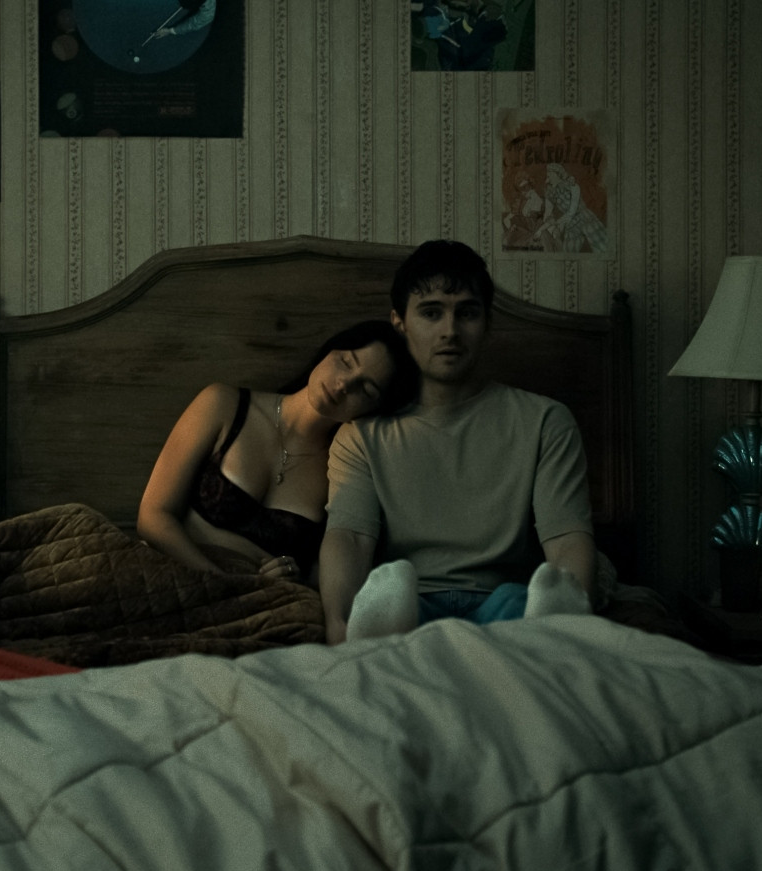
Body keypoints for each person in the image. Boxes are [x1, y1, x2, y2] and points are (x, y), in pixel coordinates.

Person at [318, 240, 598, 645]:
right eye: (431, 313)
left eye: (466, 313)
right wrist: (337, 621)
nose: (450, 331)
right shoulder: (362, 436)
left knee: (514, 602)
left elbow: (567, 538)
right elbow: (349, 538)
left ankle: (549, 626)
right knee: (396, 597)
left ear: (487, 323)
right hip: (411, 600)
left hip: (505, 602)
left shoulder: (544, 421)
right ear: (400, 322)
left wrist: (573, 613)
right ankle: (383, 631)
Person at [138, 321, 419, 586]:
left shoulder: (342, 467)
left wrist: (294, 574)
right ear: (329, 351)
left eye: (366, 389)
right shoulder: (223, 404)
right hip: (181, 574)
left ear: (373, 411)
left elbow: (331, 568)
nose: (344, 384)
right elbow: (153, 516)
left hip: (266, 599)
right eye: (346, 362)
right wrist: (222, 582)